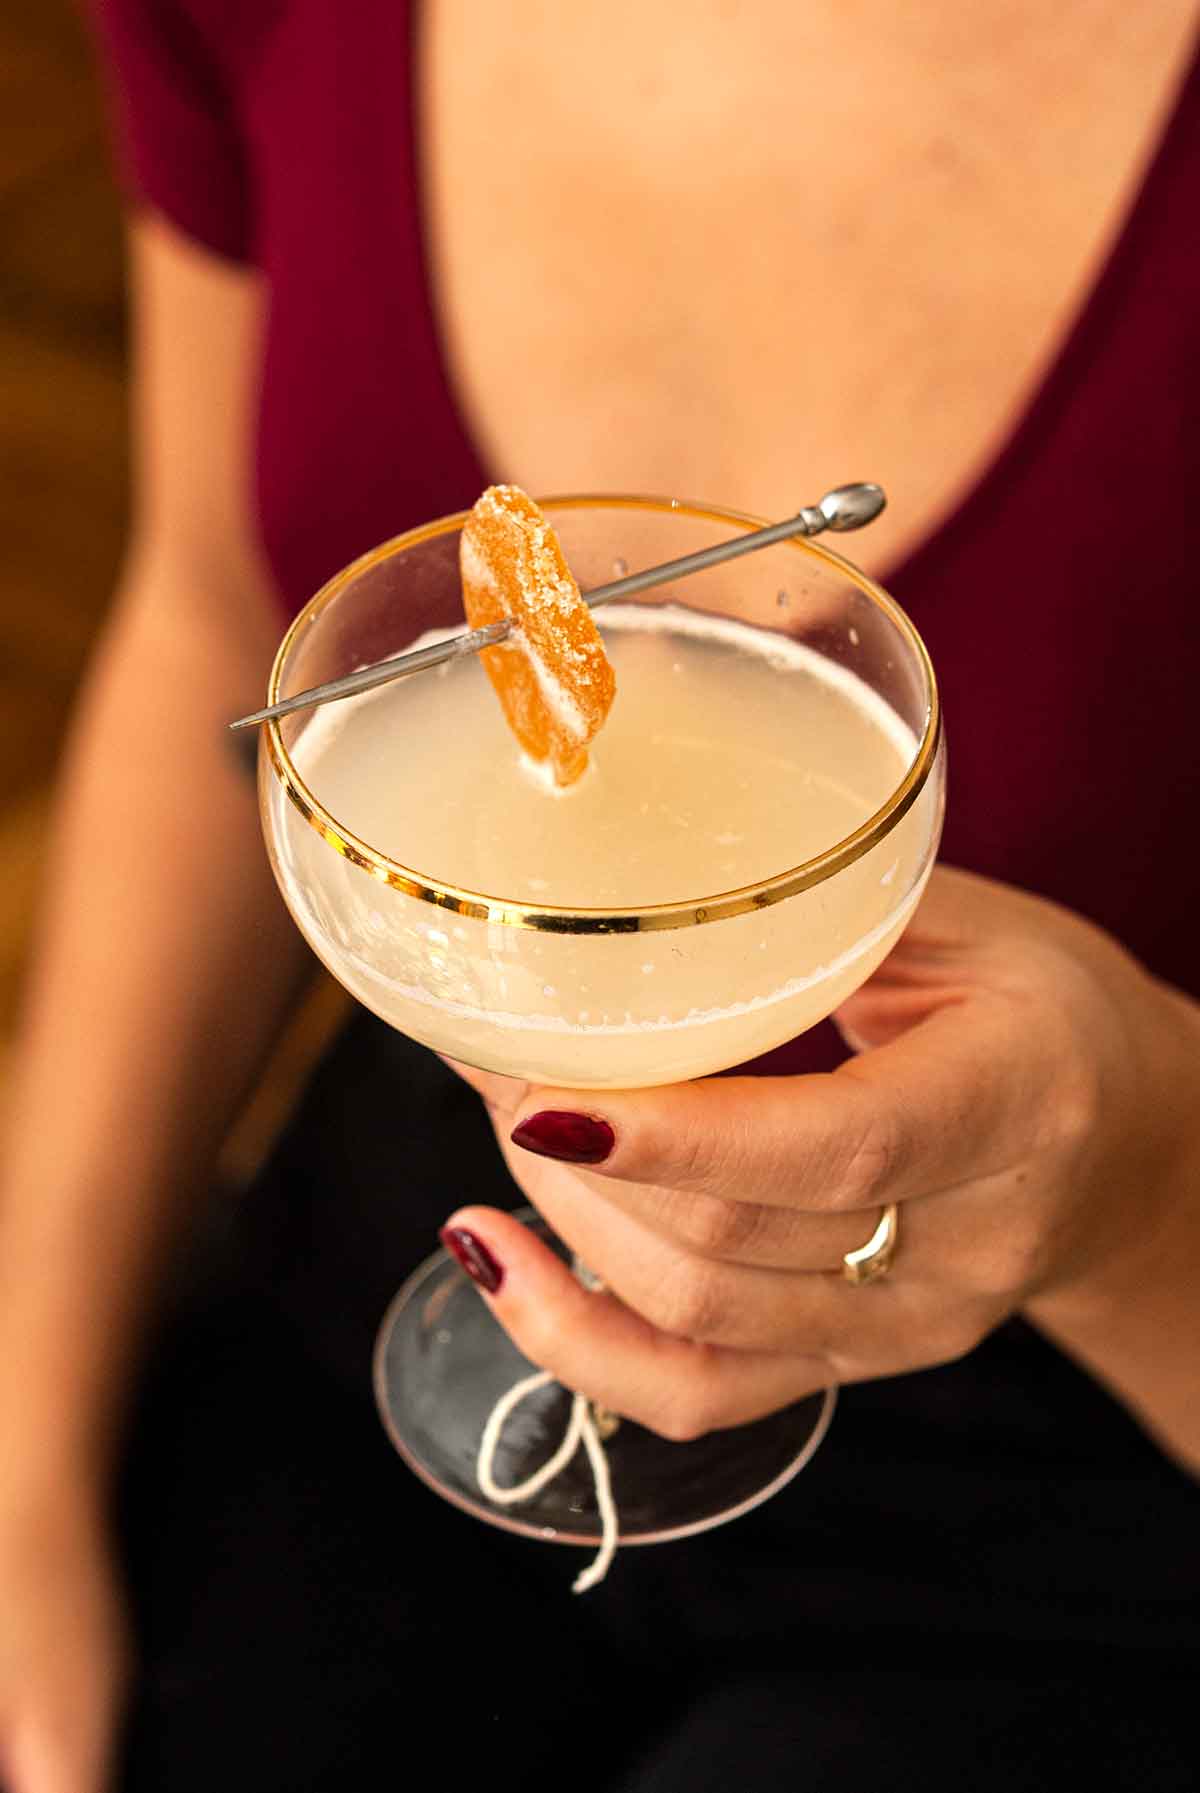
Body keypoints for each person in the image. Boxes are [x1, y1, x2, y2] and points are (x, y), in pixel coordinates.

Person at [2, 2, 1198, 1788]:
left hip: (1089, 1446)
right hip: (436, 1226)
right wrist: (25, 1450)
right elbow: (220, 623)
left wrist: (1145, 1189)